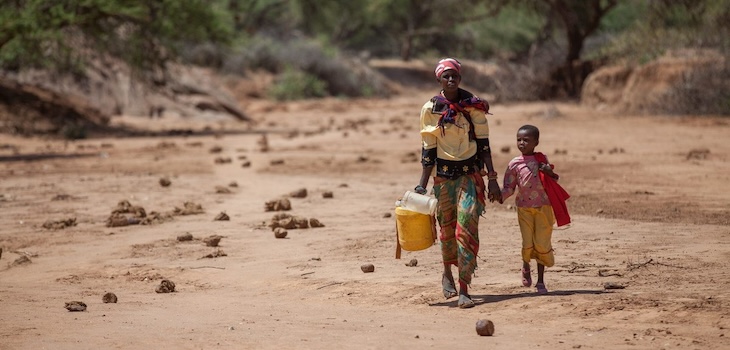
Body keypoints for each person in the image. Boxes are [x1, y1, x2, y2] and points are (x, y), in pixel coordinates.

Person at [414, 58, 501, 309]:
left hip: (470, 176)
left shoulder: (473, 106)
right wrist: (421, 184)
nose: (451, 80)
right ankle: (447, 273)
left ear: (460, 78)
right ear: (439, 80)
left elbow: (484, 145)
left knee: (466, 227)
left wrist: (493, 178)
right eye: (446, 77)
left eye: (455, 76)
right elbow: (428, 148)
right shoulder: (430, 108)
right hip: (442, 178)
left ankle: (464, 287)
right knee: (447, 230)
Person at [500, 124, 570, 294]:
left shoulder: (541, 159)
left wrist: (550, 172)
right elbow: (509, 187)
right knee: (527, 242)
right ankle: (525, 264)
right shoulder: (514, 164)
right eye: (519, 140)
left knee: (541, 243)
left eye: (526, 140)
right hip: (524, 208)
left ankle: (540, 281)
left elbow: (553, 180)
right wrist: (497, 196)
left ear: (536, 142)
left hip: (544, 208)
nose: (522, 143)